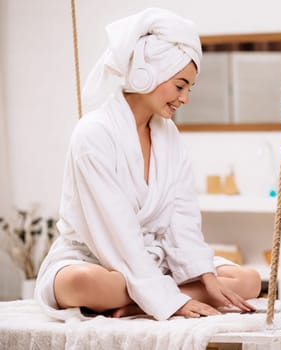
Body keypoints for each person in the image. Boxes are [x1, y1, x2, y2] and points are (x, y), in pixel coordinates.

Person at [35, 8, 261, 321]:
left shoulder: (170, 137)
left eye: (189, 89)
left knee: (247, 280)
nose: (185, 99)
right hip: (98, 258)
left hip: (151, 261)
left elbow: (182, 219)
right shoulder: (94, 133)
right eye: (180, 85)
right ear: (147, 73)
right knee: (81, 283)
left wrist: (206, 275)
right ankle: (150, 297)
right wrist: (173, 302)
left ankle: (136, 303)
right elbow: (116, 231)